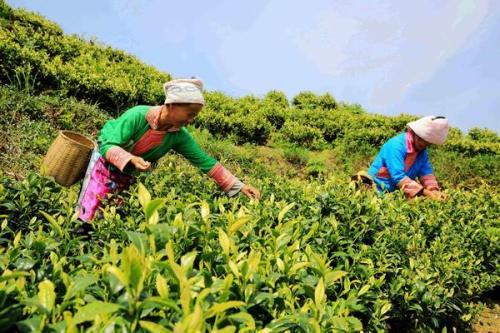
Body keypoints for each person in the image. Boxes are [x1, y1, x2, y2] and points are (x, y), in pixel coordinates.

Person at [76, 78, 260, 227]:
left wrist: (240, 186)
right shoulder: (138, 115)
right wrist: (130, 158)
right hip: (102, 168)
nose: (190, 121)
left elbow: (206, 162)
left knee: (108, 220)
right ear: (171, 104)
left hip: (125, 176)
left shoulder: (178, 136)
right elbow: (108, 145)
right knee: (87, 214)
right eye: (190, 114)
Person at [366, 116, 449, 200]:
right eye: (423, 141)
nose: (424, 145)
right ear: (415, 134)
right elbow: (398, 177)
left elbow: (426, 174)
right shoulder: (396, 145)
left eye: (428, 143)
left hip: (397, 195)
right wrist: (426, 193)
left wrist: (434, 190)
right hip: (375, 191)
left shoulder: (422, 151)